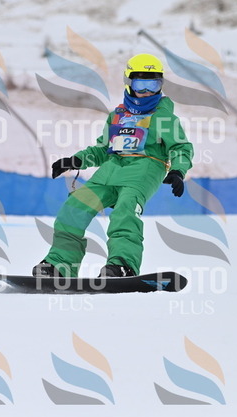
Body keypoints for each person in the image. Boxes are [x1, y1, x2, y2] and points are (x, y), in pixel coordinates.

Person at [33, 53, 193, 278]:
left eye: (153, 85)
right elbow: (102, 149)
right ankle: (60, 265)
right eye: (141, 84)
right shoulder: (117, 116)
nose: (147, 91)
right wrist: (76, 160)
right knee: (73, 208)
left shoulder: (164, 118)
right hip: (110, 171)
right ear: (129, 82)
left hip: (144, 169)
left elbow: (181, 147)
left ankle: (122, 265)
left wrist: (178, 170)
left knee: (124, 213)